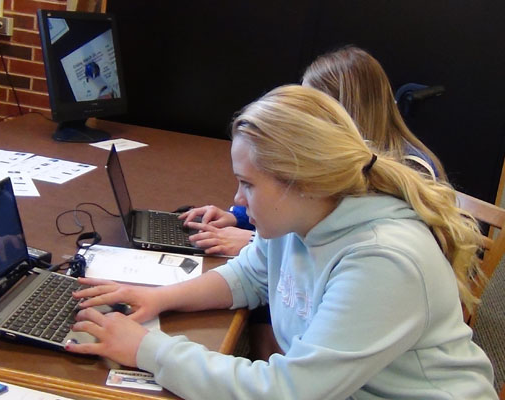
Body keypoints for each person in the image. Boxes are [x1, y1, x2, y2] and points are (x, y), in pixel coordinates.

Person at [66, 85, 497, 399]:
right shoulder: (305, 216)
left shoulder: (383, 260)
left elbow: (290, 392)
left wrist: (148, 348)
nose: (236, 199)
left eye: (247, 184)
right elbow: (250, 274)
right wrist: (159, 298)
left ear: (304, 181)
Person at [181, 45, 446, 257]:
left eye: (310, 108)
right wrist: (236, 217)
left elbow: (347, 247)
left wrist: (251, 242)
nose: (300, 117)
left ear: (338, 111)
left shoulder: (410, 170)